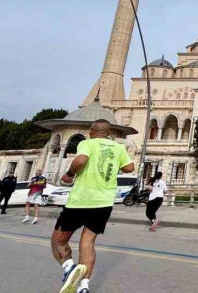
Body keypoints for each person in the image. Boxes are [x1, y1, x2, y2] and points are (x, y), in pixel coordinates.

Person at [52, 119, 134, 293]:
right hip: (103, 203)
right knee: (88, 243)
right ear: (109, 132)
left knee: (58, 241)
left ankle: (69, 267)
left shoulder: (86, 143)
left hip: (82, 200)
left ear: (91, 131)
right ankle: (83, 286)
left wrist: (69, 174)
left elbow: (81, 161)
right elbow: (129, 167)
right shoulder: (118, 148)